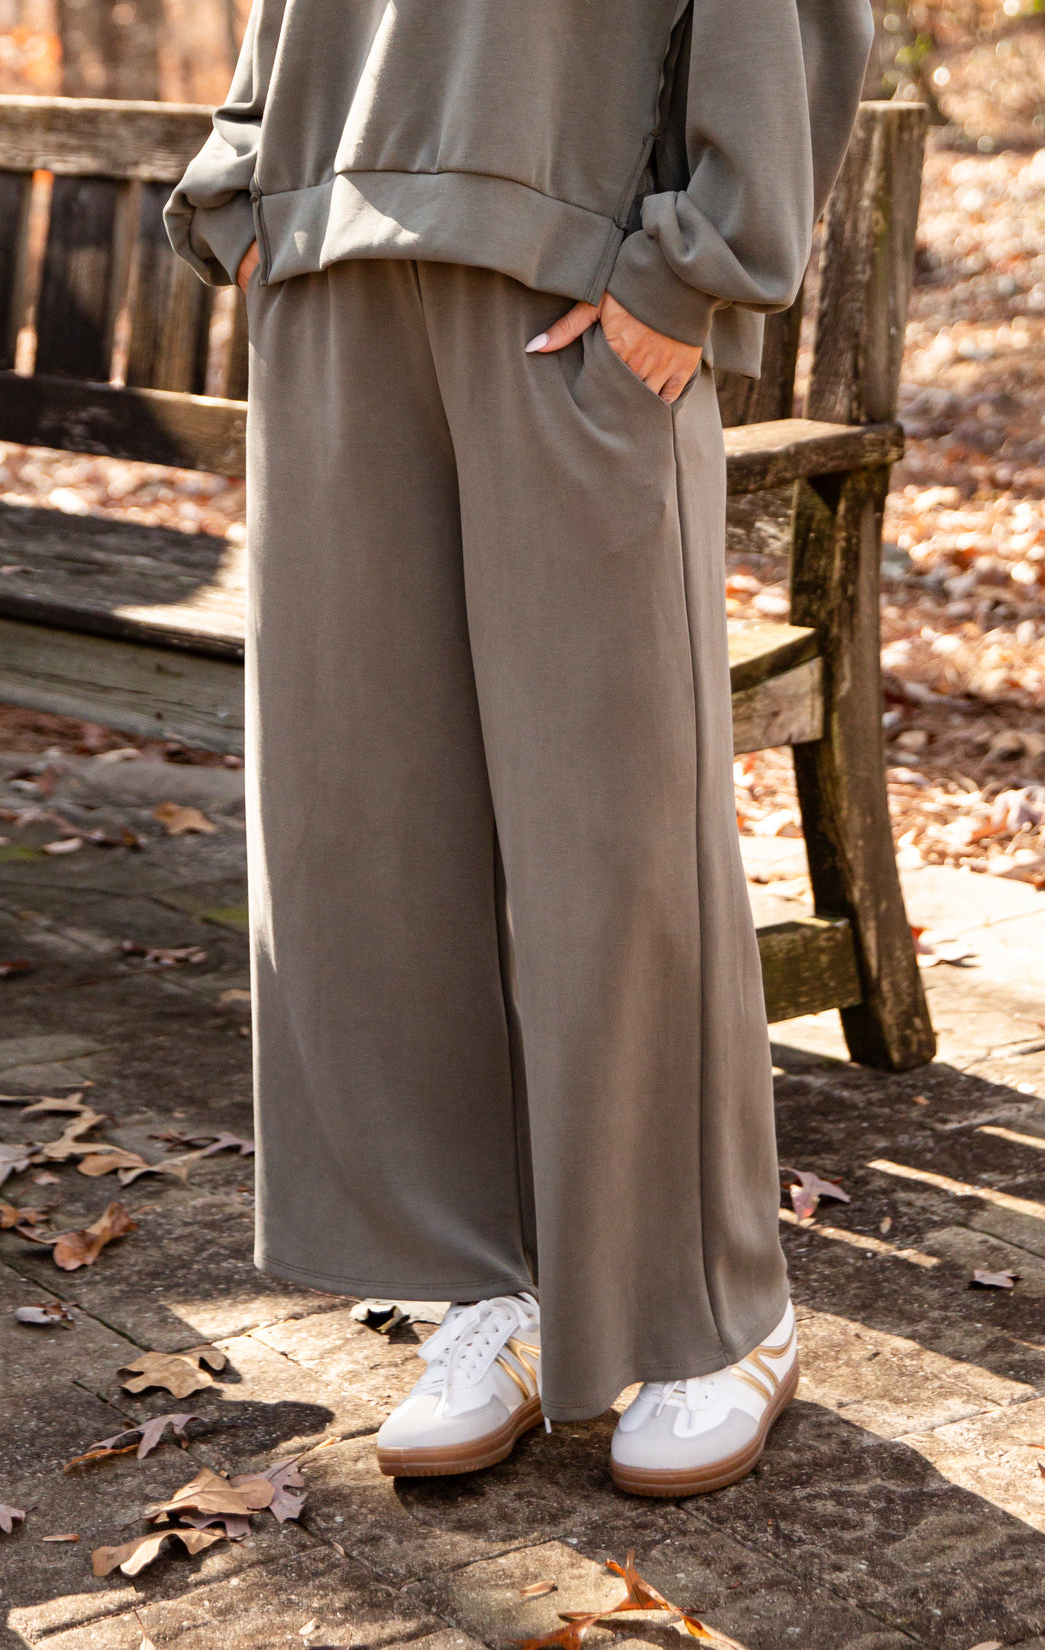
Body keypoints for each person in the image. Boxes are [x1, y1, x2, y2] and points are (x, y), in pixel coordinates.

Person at [166, 0, 875, 1497]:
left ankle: (714, 1308)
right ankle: (488, 1275)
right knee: (369, 821)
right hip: (335, 264)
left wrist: (699, 266)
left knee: (610, 825)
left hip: (573, 285)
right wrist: (245, 180)